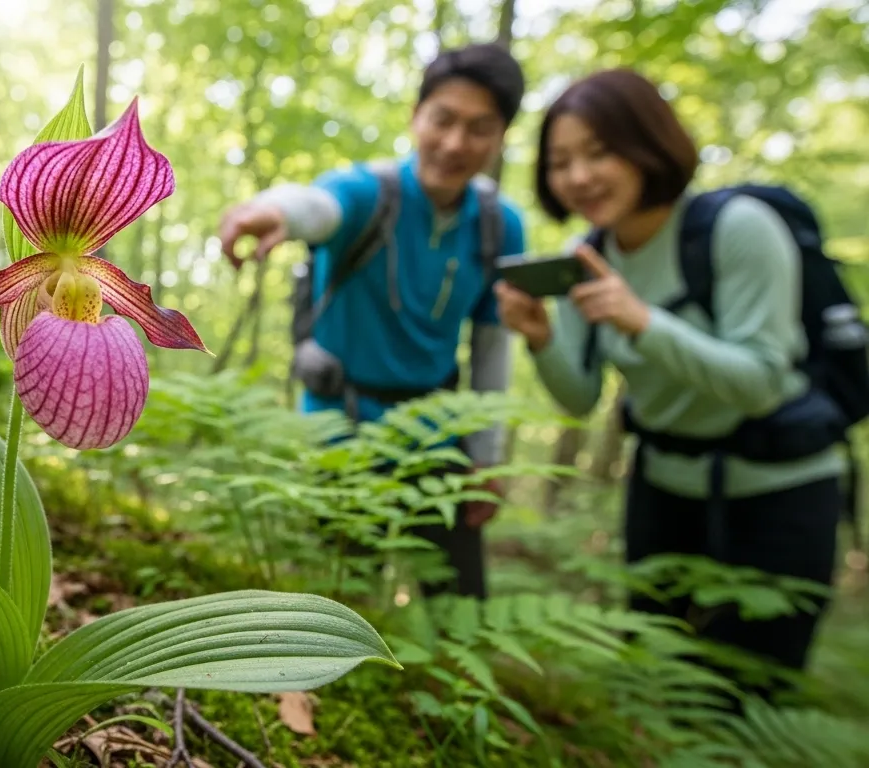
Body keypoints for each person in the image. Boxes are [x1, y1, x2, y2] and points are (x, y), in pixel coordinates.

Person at [496, 68, 847, 695]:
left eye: (599, 152)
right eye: (560, 162)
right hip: (663, 488)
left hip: (781, 493)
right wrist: (543, 338)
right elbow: (577, 397)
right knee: (655, 680)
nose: (578, 177)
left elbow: (764, 380)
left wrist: (644, 323)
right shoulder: (585, 256)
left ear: (647, 144)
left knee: (749, 690)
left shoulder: (739, 228)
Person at [219, 43, 528, 600]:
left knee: (459, 602)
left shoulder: (500, 227)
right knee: (336, 599)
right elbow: (317, 205)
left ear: (501, 135)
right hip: (339, 423)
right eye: (443, 119)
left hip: (438, 433)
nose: (456, 144)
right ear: (416, 116)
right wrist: (273, 213)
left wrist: (485, 461)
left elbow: (491, 347)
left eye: (480, 128)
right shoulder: (370, 192)